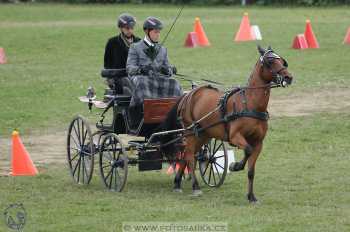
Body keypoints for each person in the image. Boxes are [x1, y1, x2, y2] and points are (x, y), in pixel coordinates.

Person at [126, 16, 183, 127]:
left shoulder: (162, 49)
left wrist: (169, 70)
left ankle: (173, 114)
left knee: (174, 83)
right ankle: (142, 114)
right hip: (141, 78)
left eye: (159, 32)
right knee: (143, 82)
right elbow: (129, 68)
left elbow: (168, 68)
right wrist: (140, 69)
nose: (158, 35)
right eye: (155, 32)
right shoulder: (135, 47)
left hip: (158, 78)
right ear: (147, 31)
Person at [103, 13, 141, 93]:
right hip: (119, 78)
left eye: (132, 28)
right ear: (121, 28)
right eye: (127, 28)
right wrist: (110, 79)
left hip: (136, 76)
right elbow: (107, 64)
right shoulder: (112, 42)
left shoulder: (139, 42)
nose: (130, 30)